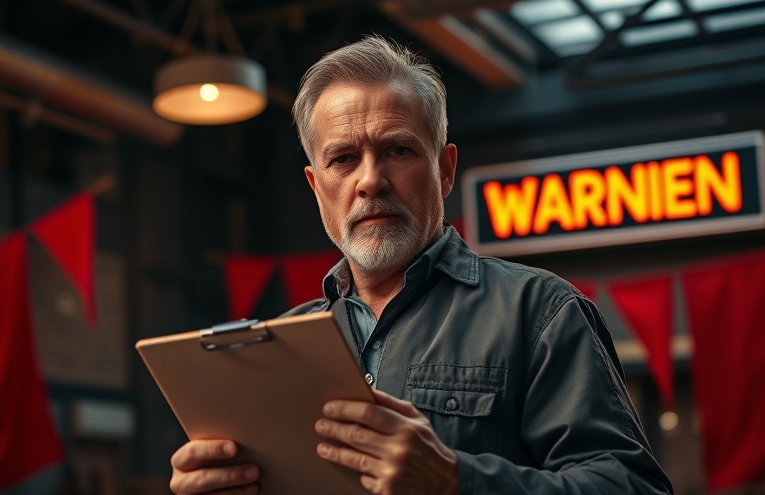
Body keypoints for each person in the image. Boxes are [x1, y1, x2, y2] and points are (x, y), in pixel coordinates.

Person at [169, 35, 673, 495]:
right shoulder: (280, 343)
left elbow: (635, 488)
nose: (371, 181)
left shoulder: (540, 312)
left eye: (398, 149)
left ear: (445, 169)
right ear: (315, 188)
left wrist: (456, 480)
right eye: (342, 159)